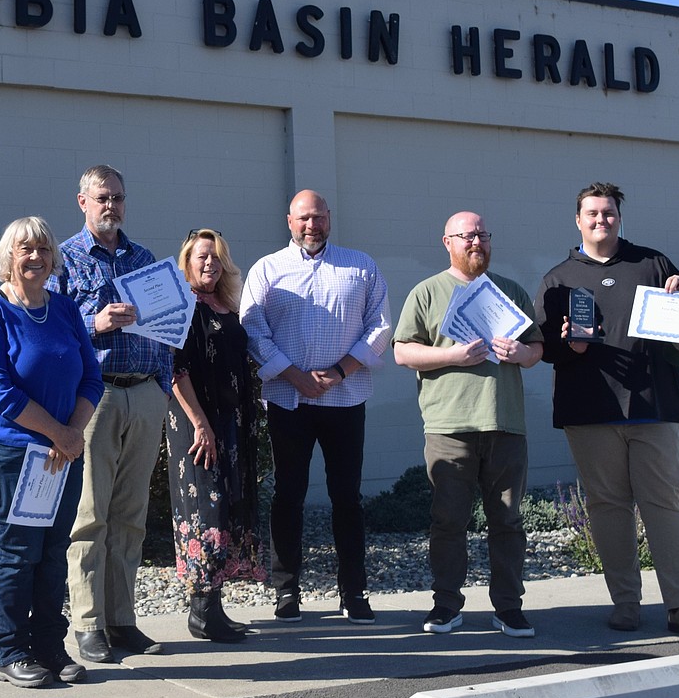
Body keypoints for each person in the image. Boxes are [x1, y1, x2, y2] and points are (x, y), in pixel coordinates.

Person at [534, 181, 679, 639]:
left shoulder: (652, 263)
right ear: (578, 221)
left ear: (619, 217)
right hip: (589, 412)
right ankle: (626, 604)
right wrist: (568, 343)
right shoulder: (558, 278)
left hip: (653, 408)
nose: (601, 219)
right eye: (592, 213)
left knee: (664, 507)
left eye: (609, 212)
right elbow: (545, 348)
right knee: (608, 508)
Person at [240, 189, 392, 624]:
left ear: (330, 218)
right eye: (304, 218)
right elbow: (252, 329)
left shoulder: (361, 266)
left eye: (319, 217)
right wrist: (295, 376)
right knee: (288, 496)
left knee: (347, 498)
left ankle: (354, 592)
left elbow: (380, 326)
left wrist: (338, 372)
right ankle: (287, 592)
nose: (312, 226)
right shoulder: (267, 270)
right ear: (289, 220)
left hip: (346, 399)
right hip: (289, 401)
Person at [0, 216, 104, 688]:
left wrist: (73, 432)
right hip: (10, 452)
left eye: (44, 250)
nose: (36, 257)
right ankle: (9, 651)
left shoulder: (64, 310)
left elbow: (92, 377)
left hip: (61, 452)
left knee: (51, 553)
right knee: (19, 552)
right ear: (7, 259)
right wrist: (58, 435)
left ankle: (48, 646)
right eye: (25, 250)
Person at [393, 211, 544, 638]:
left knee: (508, 523)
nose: (477, 242)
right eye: (467, 235)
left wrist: (521, 353)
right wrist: (452, 356)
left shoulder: (510, 291)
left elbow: (537, 349)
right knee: (448, 522)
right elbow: (403, 352)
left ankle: (509, 608)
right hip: (449, 426)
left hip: (505, 423)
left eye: (483, 234)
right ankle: (446, 606)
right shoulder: (427, 292)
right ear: (448, 242)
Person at [49, 164, 174, 664]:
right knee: (90, 514)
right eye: (103, 197)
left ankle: (122, 619)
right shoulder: (64, 258)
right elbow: (53, 326)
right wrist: (95, 323)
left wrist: (162, 388)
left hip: (144, 393)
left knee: (131, 516)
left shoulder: (143, 258)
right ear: (82, 201)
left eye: (119, 198)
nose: (112, 206)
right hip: (96, 398)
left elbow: (168, 326)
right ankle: (87, 624)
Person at [166, 228, 266, 643]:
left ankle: (213, 608)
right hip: (197, 424)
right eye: (201, 257)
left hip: (230, 423)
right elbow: (175, 369)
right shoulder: (181, 305)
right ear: (186, 262)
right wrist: (200, 422)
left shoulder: (226, 306)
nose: (209, 263)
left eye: (216, 257)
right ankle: (202, 613)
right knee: (204, 508)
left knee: (226, 506)